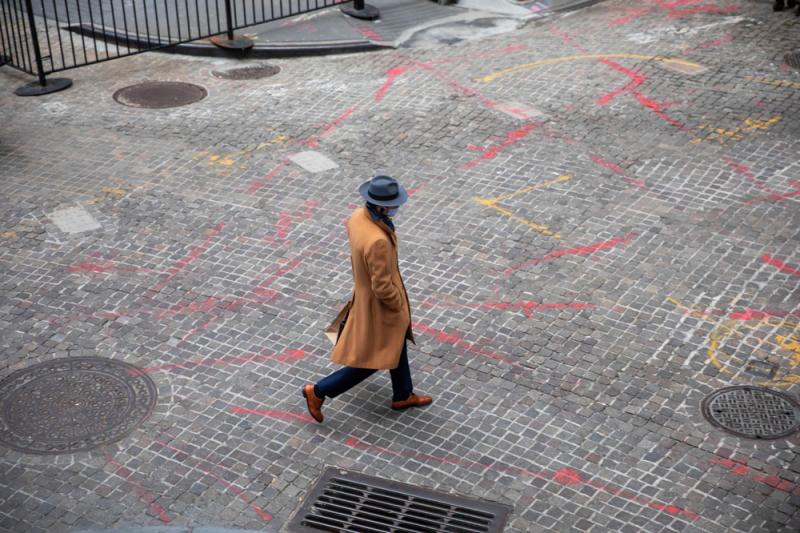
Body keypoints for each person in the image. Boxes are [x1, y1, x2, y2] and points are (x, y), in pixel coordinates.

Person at [302, 176, 432, 423]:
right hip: (379, 307)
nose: (397, 207)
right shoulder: (378, 240)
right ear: (381, 207)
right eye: (393, 204)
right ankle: (319, 391)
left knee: (395, 343)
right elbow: (381, 286)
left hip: (363, 296)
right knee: (373, 359)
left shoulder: (357, 217)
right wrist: (398, 305)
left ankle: (403, 393)